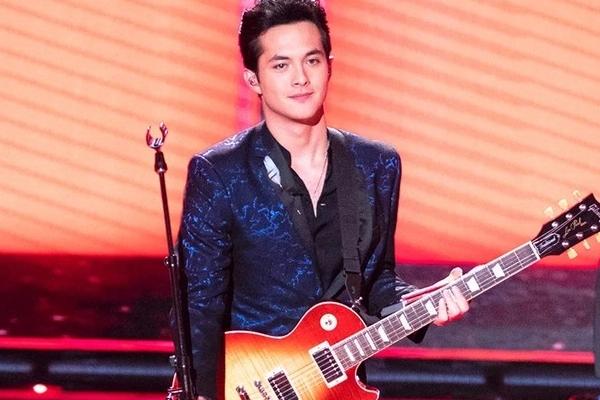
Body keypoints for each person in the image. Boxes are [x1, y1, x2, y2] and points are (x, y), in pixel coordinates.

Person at [177, 1, 469, 399]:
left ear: (329, 65)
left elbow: (376, 281)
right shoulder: (220, 172)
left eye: (311, 61)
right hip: (254, 384)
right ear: (253, 79)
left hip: (339, 385)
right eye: (281, 65)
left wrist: (422, 303)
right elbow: (198, 306)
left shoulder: (377, 164)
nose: (300, 78)